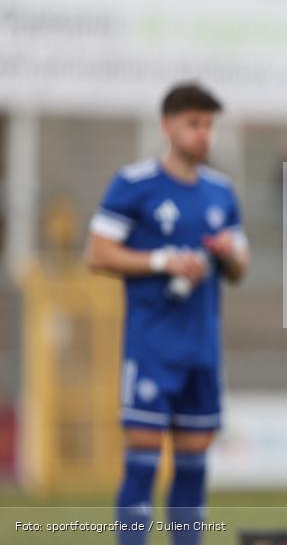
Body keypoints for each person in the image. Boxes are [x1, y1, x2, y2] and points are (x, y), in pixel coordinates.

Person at [85, 82, 250, 545]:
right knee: (142, 457)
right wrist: (163, 261)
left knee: (194, 464)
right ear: (167, 125)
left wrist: (227, 253)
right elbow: (96, 253)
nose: (203, 134)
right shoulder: (134, 184)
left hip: (202, 349)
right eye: (193, 123)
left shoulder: (221, 192)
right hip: (152, 346)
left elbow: (240, 267)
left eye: (208, 125)